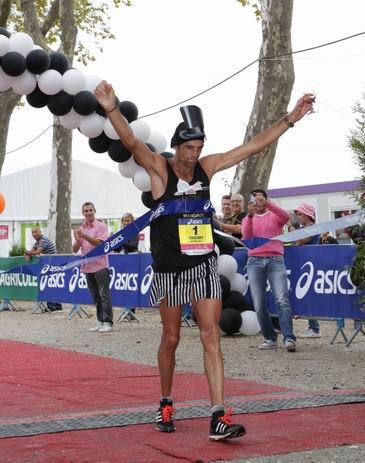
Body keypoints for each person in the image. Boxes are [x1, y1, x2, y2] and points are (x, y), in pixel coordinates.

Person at [94, 80, 314, 441]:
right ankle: (165, 402)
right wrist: (110, 108)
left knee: (211, 337)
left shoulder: (206, 169)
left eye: (198, 148)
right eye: (189, 148)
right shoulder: (159, 169)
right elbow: (132, 142)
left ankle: (218, 415)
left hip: (203, 265)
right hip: (168, 269)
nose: (194, 154)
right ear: (177, 146)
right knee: (171, 337)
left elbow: (250, 147)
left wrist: (291, 118)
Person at [241, 189, 297, 352]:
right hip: (254, 261)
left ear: (266, 199)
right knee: (258, 303)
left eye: (260, 198)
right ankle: (270, 338)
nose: (257, 202)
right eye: (254, 199)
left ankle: (288, 337)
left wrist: (270, 205)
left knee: (282, 298)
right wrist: (250, 216)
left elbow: (286, 218)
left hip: (275, 259)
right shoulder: (247, 218)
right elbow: (247, 237)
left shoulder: (274, 215)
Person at [72, 202, 113, 333]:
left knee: (104, 295)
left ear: (94, 211)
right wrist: (78, 239)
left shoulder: (101, 226)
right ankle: (100, 321)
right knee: (95, 296)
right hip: (87, 266)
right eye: (86, 211)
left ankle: (108, 322)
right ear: (83, 213)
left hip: (100, 265)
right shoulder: (81, 228)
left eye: (90, 210)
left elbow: (99, 244)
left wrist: (84, 235)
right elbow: (74, 249)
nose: (88, 213)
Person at [294, 203, 321, 338]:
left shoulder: (313, 228)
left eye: (300, 214)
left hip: (311, 264)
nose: (298, 217)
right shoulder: (303, 228)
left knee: (309, 294)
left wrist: (294, 236)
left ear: (307, 215)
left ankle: (315, 328)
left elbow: (300, 241)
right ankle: (312, 325)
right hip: (303, 264)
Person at [24, 227, 62, 312]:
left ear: (40, 232)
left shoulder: (43, 240)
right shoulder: (38, 242)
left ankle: (52, 307)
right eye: (33, 232)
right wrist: (28, 253)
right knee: (52, 285)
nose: (34, 234)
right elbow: (32, 251)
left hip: (53, 265)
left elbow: (37, 252)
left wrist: (28, 253)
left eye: (36, 232)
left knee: (49, 285)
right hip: (51, 266)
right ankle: (57, 306)